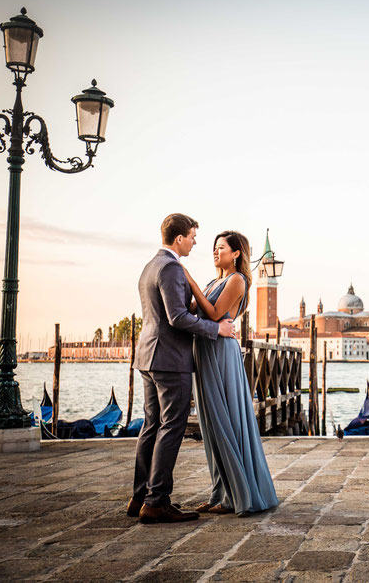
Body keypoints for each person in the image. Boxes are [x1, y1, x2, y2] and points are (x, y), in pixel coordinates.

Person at [129, 213, 237, 524]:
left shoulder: (151, 266)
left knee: (152, 426)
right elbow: (177, 317)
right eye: (192, 237)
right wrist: (217, 330)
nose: (194, 243)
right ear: (179, 239)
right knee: (171, 427)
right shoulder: (172, 268)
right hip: (170, 359)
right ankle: (157, 500)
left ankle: (139, 496)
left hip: (147, 356)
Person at [183, 230, 278, 516]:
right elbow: (192, 311)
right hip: (205, 350)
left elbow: (213, 313)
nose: (215, 251)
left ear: (237, 253)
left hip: (221, 353)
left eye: (221, 247)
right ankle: (221, 490)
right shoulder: (216, 281)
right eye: (214, 247)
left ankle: (235, 494)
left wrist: (190, 281)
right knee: (211, 424)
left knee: (225, 420)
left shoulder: (238, 280)